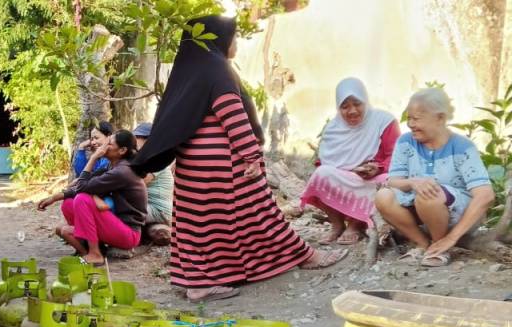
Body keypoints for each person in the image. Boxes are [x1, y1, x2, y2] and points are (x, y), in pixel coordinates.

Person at [129, 15, 348, 303]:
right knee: (260, 212)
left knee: (198, 222)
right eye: (233, 37)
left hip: (191, 162)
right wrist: (251, 156)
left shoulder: (189, 69)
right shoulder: (218, 68)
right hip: (224, 161)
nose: (236, 43)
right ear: (219, 39)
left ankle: (196, 280)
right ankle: (303, 255)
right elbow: (232, 115)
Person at [374, 87, 495, 267]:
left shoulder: (463, 147)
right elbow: (393, 180)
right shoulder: (406, 141)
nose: (411, 124)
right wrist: (412, 182)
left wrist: (452, 238)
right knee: (383, 196)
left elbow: (486, 195)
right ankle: (422, 243)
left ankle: (441, 247)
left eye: (417, 118)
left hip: (456, 216)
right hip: (419, 209)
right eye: (409, 118)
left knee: (429, 193)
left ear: (440, 118)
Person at [300, 78, 399, 245]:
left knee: (386, 182)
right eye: (345, 107)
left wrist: (378, 167)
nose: (352, 111)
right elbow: (324, 162)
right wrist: (347, 171)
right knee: (322, 174)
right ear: (338, 108)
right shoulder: (333, 128)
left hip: (374, 177)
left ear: (365, 101)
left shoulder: (383, 121)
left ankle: (354, 224)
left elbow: (396, 156)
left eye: (357, 104)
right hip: (347, 178)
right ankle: (337, 224)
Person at [38, 130, 148, 265]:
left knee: (82, 199)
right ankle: (90, 246)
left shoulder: (122, 172)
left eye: (109, 144)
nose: (103, 147)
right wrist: (55, 197)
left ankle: (95, 254)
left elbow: (82, 187)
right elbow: (84, 184)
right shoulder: (112, 166)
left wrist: (93, 157)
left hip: (128, 234)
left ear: (122, 150)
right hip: (114, 225)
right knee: (68, 203)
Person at [135, 122, 173, 246]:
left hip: (158, 209)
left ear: (148, 140)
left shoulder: (158, 158)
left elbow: (138, 183)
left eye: (137, 137)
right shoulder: (145, 158)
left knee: (124, 209)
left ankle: (129, 242)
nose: (133, 141)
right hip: (149, 206)